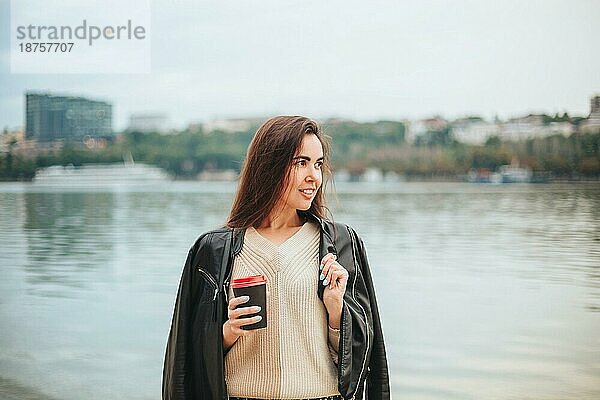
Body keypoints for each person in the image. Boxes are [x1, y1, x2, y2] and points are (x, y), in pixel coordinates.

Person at [162, 116, 389, 400]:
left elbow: (366, 357)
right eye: (301, 163)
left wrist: (336, 311)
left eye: (318, 164)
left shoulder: (342, 244)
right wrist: (228, 331)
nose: (314, 177)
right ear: (269, 167)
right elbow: (185, 358)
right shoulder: (212, 250)